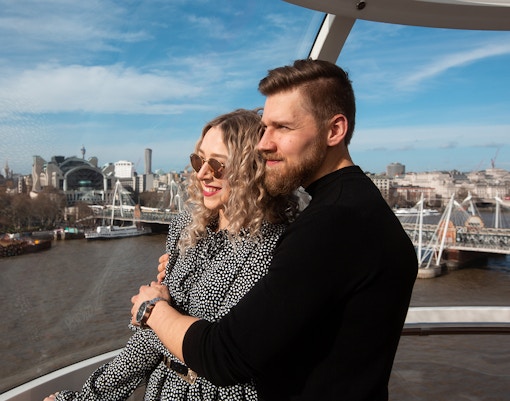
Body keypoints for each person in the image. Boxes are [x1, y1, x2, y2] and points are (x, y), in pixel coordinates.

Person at [131, 59, 418, 401]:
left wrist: (154, 309)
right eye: (265, 127)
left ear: (334, 131)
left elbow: (225, 356)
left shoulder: (334, 223)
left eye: (282, 127)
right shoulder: (354, 206)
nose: (264, 143)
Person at [44, 108, 300, 401]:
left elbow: (221, 352)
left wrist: (155, 312)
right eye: (199, 160)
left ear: (252, 170)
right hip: (163, 390)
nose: (202, 173)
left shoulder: (273, 247)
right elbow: (150, 340)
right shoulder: (185, 227)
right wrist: (88, 397)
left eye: (217, 165)